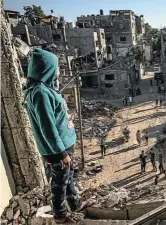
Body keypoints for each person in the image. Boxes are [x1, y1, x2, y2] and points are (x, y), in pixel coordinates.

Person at [23, 48, 93, 223]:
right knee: (60, 181)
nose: (58, 72)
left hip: (63, 146)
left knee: (68, 177)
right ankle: (60, 215)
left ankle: (75, 203)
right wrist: (61, 153)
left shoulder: (45, 89)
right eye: (56, 68)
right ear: (46, 69)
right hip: (57, 149)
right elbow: (47, 127)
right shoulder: (40, 93)